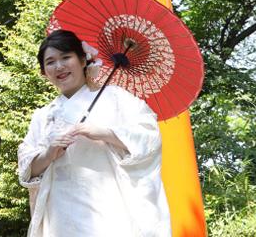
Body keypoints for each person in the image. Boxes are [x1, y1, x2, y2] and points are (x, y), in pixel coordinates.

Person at [18, 30, 171, 237]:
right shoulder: (43, 116)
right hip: (60, 210)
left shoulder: (115, 98)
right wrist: (49, 152)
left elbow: (149, 137)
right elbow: (29, 169)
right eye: (50, 62)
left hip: (107, 202)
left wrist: (104, 132)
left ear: (83, 60)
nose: (59, 67)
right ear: (44, 72)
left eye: (66, 57)